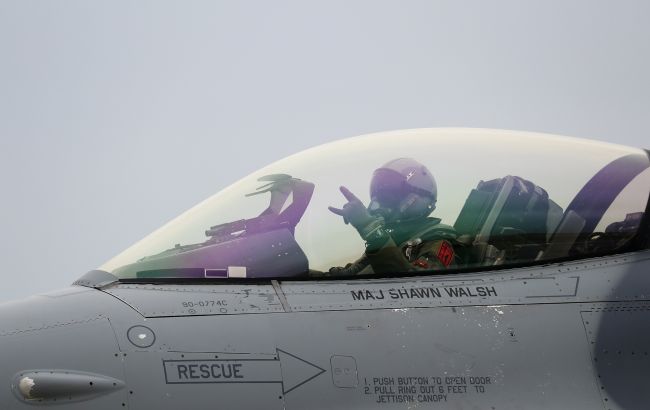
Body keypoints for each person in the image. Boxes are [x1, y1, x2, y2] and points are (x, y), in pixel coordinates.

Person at [328, 158, 459, 275]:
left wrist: (373, 231)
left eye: (388, 197)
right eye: (379, 196)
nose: (378, 204)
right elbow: (353, 275)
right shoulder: (393, 243)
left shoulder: (438, 243)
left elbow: (417, 287)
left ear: (416, 200)